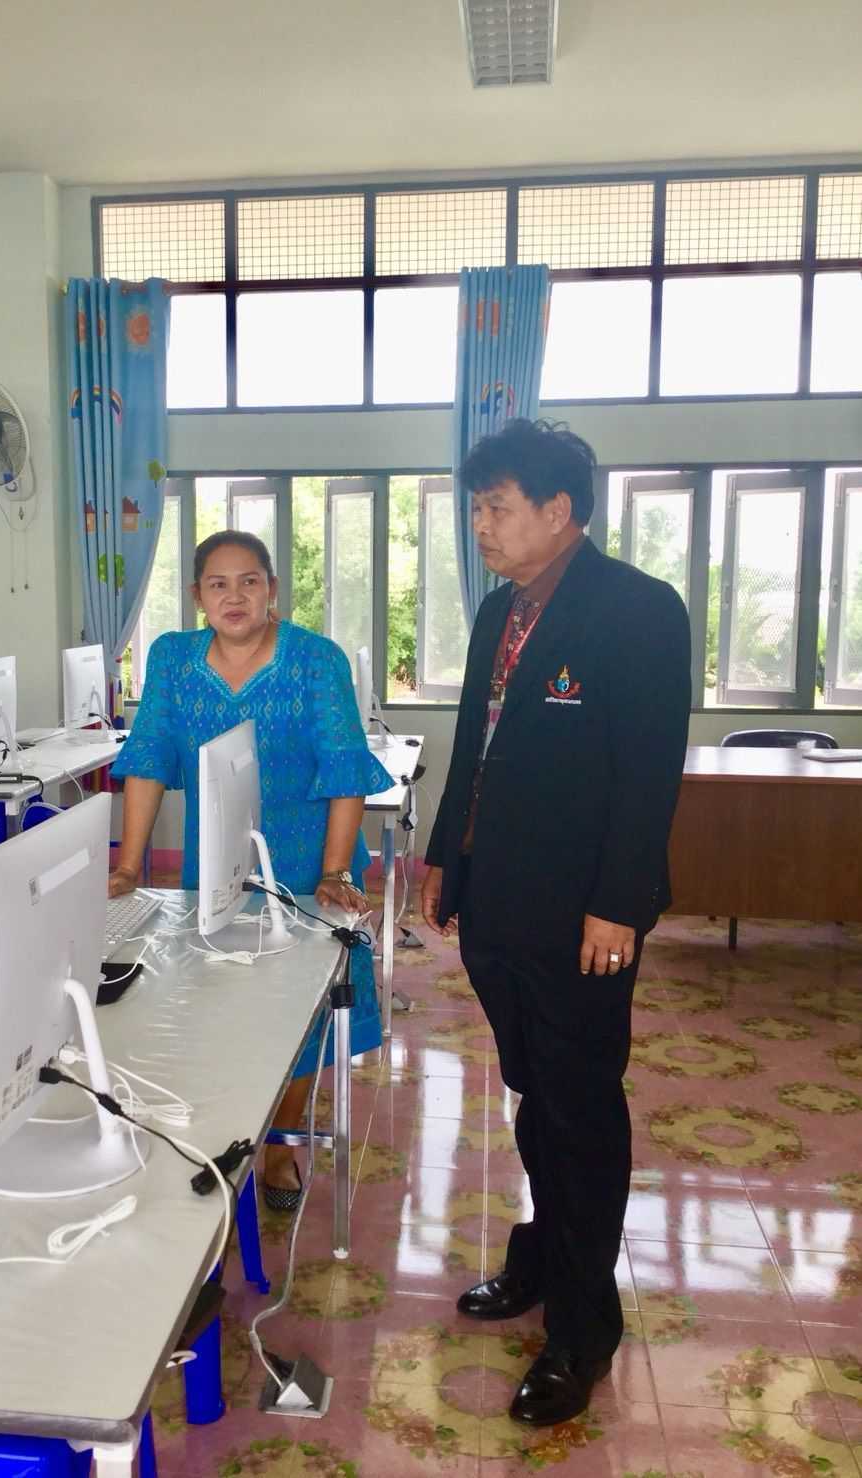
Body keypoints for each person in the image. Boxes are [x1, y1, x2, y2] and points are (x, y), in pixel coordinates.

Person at [421, 419, 691, 1428]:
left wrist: (618, 904)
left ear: (559, 510)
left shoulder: (639, 610)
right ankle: (541, 1256)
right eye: (477, 507)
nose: (480, 524)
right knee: (536, 1093)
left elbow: (648, 774)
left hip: (584, 919)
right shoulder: (501, 610)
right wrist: (446, 857)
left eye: (496, 506)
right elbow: (476, 743)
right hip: (497, 901)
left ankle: (583, 1329)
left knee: (580, 1112)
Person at [109, 529, 392, 1210]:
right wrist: (127, 866)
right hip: (217, 865)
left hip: (313, 859)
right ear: (197, 595)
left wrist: (334, 871)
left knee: (306, 1010)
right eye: (218, 583)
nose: (234, 596)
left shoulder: (315, 659)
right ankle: (228, 1122)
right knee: (221, 998)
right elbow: (148, 759)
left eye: (249, 581)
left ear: (272, 589)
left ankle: (280, 1145)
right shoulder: (173, 658)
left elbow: (344, 768)